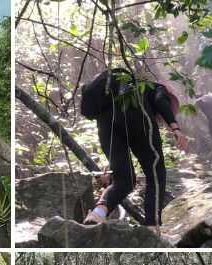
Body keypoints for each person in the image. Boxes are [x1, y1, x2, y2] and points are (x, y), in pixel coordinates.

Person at [80, 68, 188, 229]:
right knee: (156, 174)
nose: (160, 120)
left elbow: (118, 129)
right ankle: (152, 226)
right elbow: (160, 101)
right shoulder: (156, 88)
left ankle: (98, 214)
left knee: (124, 180)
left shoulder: (114, 94)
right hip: (137, 117)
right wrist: (176, 129)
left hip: (105, 124)